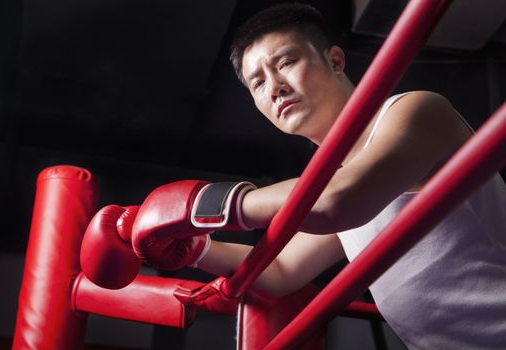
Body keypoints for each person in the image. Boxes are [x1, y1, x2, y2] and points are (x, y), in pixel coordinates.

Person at [82, 3, 506, 349]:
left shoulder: (414, 110)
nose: (275, 87)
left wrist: (201, 205)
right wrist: (190, 245)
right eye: (257, 83)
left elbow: (336, 202)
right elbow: (279, 271)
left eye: (285, 63)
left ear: (334, 59)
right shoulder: (332, 182)